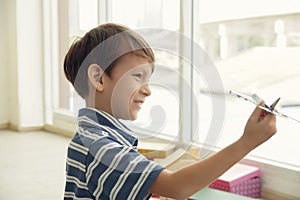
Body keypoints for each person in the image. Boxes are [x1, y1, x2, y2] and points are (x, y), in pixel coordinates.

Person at [63, 23, 277, 200]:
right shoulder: (101, 148)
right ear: (99, 78)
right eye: (138, 76)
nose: (147, 90)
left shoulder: (90, 136)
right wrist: (248, 141)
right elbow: (178, 187)